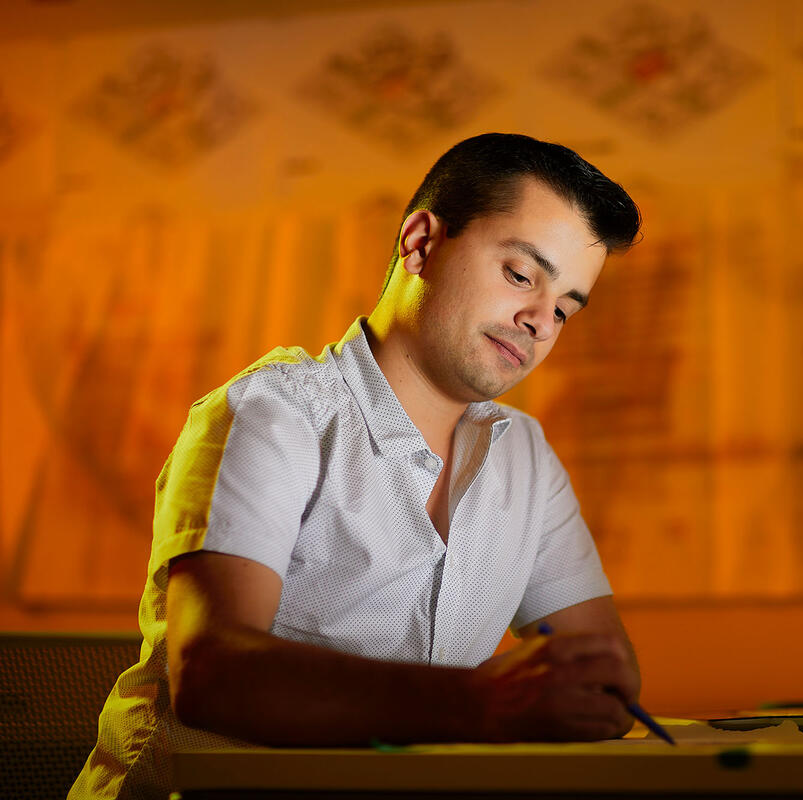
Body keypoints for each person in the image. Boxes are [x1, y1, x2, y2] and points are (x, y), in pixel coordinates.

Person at [70, 133, 643, 800]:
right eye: (521, 275)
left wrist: (577, 689)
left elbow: (607, 673)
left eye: (567, 308)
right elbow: (213, 675)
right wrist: (478, 702)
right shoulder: (273, 413)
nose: (540, 322)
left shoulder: (525, 458)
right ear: (421, 243)